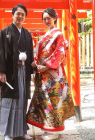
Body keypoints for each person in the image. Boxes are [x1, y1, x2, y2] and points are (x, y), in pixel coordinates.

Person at [26, 8, 75, 140]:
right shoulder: (45, 36)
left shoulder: (58, 34)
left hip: (53, 74)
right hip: (43, 74)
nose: (46, 21)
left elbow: (59, 52)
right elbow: (39, 54)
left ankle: (54, 130)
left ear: (54, 18)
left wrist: (46, 65)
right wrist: (35, 63)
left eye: (49, 18)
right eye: (44, 19)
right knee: (44, 100)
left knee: (54, 101)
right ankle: (46, 127)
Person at [0, 4, 34, 140]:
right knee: (9, 102)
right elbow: (0, 52)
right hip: (10, 73)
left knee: (21, 102)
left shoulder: (27, 34)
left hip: (23, 72)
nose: (20, 16)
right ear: (13, 15)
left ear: (25, 17)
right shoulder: (5, 32)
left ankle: (21, 131)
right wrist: (1, 72)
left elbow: (31, 54)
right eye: (17, 13)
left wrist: (31, 69)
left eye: (22, 14)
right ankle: (8, 132)